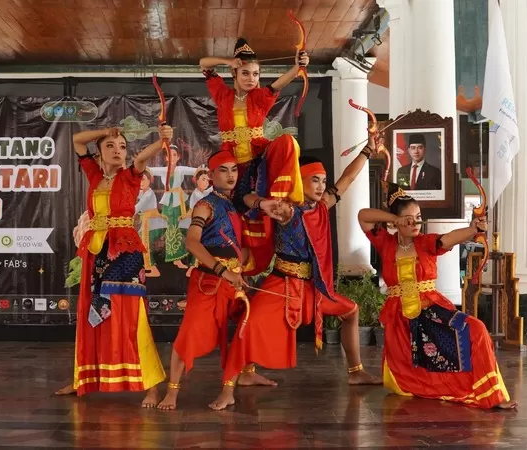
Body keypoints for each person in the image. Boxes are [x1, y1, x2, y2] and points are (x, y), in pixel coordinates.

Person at [222, 137, 382, 387]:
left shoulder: (320, 206)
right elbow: (246, 198)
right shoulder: (287, 209)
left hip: (312, 287)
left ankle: (356, 371)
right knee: (249, 324)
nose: (321, 187)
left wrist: (368, 149)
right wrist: (262, 202)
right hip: (281, 284)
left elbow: (348, 178)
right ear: (300, 180)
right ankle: (236, 380)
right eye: (314, 180)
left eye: (323, 181)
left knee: (350, 311)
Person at [357, 185, 517, 409]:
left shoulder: (426, 242)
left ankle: (490, 394)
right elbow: (363, 216)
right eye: (409, 219)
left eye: (418, 217)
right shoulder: (385, 242)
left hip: (431, 309)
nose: (415, 223)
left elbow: (448, 238)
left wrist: (472, 230)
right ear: (396, 222)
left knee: (476, 329)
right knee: (412, 371)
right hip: (400, 320)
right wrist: (394, 218)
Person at [57, 125, 173, 408]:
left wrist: (161, 141)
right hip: (96, 251)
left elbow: (142, 158)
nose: (118, 151)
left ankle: (152, 387)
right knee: (91, 314)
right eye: (110, 146)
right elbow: (77, 140)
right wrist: (104, 132)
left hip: (124, 254)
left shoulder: (130, 176)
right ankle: (84, 379)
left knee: (132, 320)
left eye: (122, 146)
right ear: (99, 154)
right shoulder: (94, 175)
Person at [156, 151, 280, 411]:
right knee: (188, 336)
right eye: (223, 170)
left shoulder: (234, 204)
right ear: (211, 175)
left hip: (233, 282)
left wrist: (241, 272)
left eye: (234, 170)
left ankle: (235, 384)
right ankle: (172, 393)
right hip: (210, 282)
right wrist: (225, 272)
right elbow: (192, 242)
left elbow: (249, 208)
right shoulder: (205, 205)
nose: (230, 174)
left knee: (248, 327)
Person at [199, 38, 309, 251]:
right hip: (232, 166)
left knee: (287, 142)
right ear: (235, 74)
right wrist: (227, 60)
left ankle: (279, 199)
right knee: (236, 211)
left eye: (256, 74)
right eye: (246, 73)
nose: (251, 79)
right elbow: (204, 63)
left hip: (257, 161)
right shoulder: (222, 95)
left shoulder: (260, 97)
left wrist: (297, 67)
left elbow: (280, 82)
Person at [148, 145, 198, 269]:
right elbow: (148, 169)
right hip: (168, 203)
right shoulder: (163, 170)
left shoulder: (180, 169)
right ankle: (173, 258)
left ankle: (179, 258)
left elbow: (195, 170)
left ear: (178, 157)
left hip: (178, 202)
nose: (172, 157)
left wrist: (206, 170)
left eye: (174, 155)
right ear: (166, 158)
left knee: (178, 227)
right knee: (170, 228)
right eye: (169, 155)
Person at [135, 170, 166, 277]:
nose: (141, 182)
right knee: (140, 243)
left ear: (150, 181)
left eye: (143, 179)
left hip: (153, 225)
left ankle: (152, 269)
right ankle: (145, 266)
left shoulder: (148, 194)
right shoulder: (143, 192)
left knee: (144, 244)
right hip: (147, 224)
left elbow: (137, 207)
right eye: (139, 180)